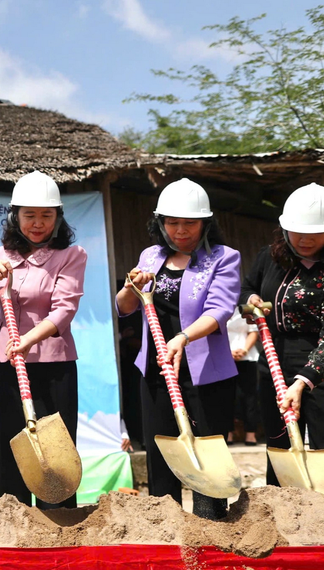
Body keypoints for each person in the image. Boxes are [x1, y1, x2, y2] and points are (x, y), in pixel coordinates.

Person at [115, 178, 240, 520]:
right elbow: (126, 306)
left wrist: (183, 338)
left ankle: (210, 521)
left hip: (205, 372)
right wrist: (130, 287)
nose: (180, 230)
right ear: (160, 223)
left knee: (206, 455)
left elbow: (219, 310)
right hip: (156, 368)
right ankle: (165, 523)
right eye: (172, 222)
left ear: (206, 223)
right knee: (160, 452)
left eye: (189, 223)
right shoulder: (150, 256)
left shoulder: (224, 258)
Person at [0, 171, 86, 508]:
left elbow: (64, 310)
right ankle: (12, 516)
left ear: (58, 218)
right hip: (5, 362)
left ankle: (59, 521)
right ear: (14, 216)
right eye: (29, 215)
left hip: (53, 365)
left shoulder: (71, 255)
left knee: (55, 449)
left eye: (47, 215)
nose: (38, 223)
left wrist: (29, 339)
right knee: (10, 442)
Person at [240, 183, 324, 489]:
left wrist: (303, 382)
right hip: (273, 359)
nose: (304, 240)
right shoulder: (269, 258)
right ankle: (279, 508)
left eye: (315, 233)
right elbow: (248, 287)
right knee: (279, 446)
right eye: (297, 232)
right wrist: (250, 301)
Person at [225, 307, 259, 446]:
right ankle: (228, 432)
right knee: (226, 396)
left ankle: (251, 433)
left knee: (249, 396)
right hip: (224, 356)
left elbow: (253, 331)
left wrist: (244, 350)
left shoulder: (246, 308)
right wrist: (227, 352)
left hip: (247, 356)